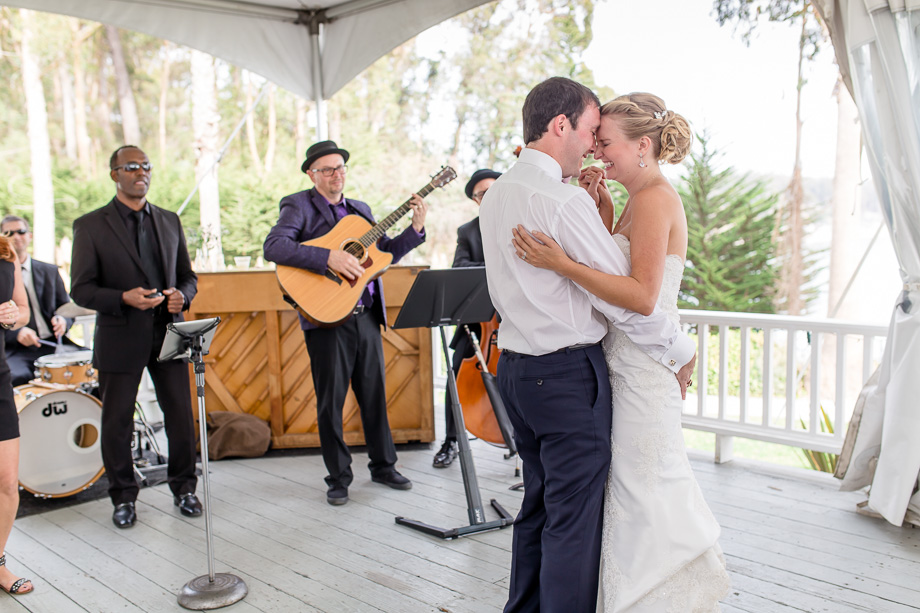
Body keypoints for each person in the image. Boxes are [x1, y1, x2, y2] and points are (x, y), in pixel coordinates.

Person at [478, 77, 696, 612]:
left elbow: (607, 285)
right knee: (573, 523)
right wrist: (681, 351)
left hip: (517, 372)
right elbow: (626, 302)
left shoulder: (498, 194)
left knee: (539, 508)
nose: (593, 146)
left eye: (603, 138)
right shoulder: (563, 201)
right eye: (590, 132)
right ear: (561, 126)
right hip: (570, 378)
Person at [263, 140, 429, 506]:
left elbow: (384, 253)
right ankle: (338, 478)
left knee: (374, 395)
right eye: (327, 169)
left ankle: (384, 466)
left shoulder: (360, 210)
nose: (336, 175)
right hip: (324, 319)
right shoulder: (298, 206)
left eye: (340, 168)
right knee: (330, 401)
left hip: (365, 314)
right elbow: (274, 246)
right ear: (312, 174)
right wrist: (328, 258)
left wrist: (415, 230)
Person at [70, 145, 202, 529]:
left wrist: (184, 295)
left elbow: (187, 277)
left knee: (180, 416)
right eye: (131, 166)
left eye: (146, 166)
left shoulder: (169, 220)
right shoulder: (90, 225)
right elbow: (81, 289)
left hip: (169, 335)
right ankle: (123, 497)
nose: (140, 172)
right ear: (114, 174)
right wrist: (122, 298)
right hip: (119, 336)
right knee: (116, 423)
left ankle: (185, 489)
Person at [432, 168, 501, 469]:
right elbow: (461, 267)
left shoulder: (525, 217)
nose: (488, 197)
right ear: (475, 201)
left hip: (518, 322)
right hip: (480, 325)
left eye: (493, 190)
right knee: (456, 377)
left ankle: (518, 438)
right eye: (481, 194)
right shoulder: (469, 232)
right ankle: (451, 441)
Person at [1, 215, 80, 386]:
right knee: (15, 377)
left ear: (29, 236)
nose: (16, 237)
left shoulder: (49, 270)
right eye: (9, 233)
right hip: (16, 351)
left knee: (95, 367)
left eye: (21, 232)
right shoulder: (2, 273)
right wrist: (16, 333)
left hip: (51, 344)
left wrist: (63, 321)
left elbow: (65, 308)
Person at [0, 233, 32, 596]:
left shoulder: (6, 252)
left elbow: (22, 310)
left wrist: (12, 316)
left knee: (8, 483)